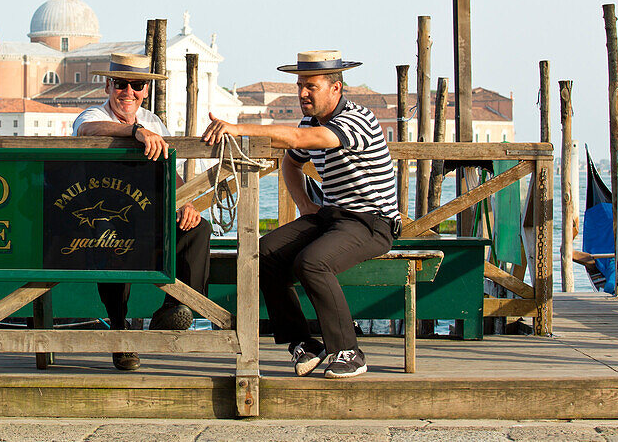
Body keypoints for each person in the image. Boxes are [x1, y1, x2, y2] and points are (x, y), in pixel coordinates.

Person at [202, 50, 399, 379]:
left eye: (311, 86)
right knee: (263, 252)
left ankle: (349, 352)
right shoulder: (310, 121)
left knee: (312, 262)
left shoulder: (356, 119)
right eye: (299, 86)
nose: (303, 93)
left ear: (335, 88)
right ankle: (304, 343)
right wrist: (305, 205)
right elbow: (291, 162)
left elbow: (303, 139)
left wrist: (237, 129)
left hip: (372, 221)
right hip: (331, 217)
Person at [73, 53, 212, 371]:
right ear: (108, 85)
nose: (128, 92)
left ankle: (176, 306)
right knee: (111, 240)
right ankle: (120, 332)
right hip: (100, 218)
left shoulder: (155, 121)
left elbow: (170, 171)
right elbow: (87, 130)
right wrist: (135, 132)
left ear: (146, 89)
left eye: (137, 85)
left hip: (148, 215)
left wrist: (186, 203)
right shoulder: (93, 114)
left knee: (198, 228)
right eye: (121, 84)